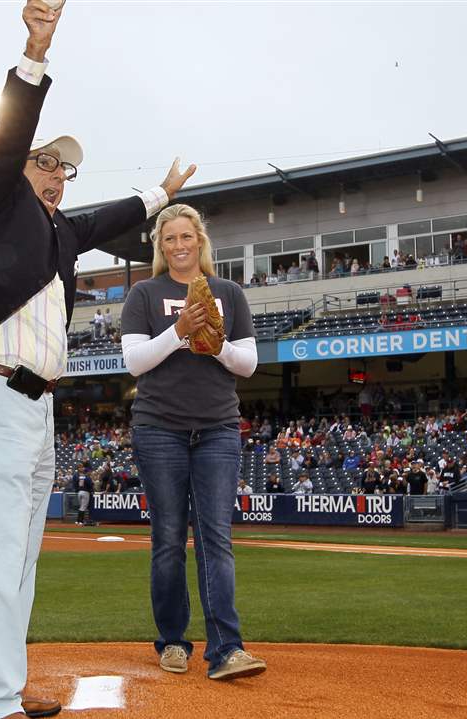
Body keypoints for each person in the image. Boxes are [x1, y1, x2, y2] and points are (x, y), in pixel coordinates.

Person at [0, 5, 197, 717]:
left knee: (20, 558)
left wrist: (162, 193)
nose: (59, 175)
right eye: (47, 161)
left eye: (66, 169)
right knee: (1, 555)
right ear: (21, 165)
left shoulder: (60, 232)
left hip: (36, 406)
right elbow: (3, 145)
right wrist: (33, 56)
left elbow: (109, 218)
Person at [120, 203, 265, 681]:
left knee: (216, 540)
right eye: (170, 239)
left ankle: (227, 648)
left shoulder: (229, 292)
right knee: (167, 540)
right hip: (159, 427)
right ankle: (173, 641)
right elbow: (135, 362)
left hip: (219, 427)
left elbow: (248, 363)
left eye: (187, 237)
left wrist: (214, 343)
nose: (179, 246)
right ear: (161, 247)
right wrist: (180, 331)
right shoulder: (144, 292)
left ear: (200, 241)